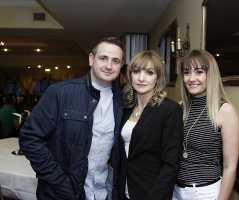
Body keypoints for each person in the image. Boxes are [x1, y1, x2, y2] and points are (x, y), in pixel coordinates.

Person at [19, 36, 124, 200]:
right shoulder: (60, 93)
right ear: (91, 59)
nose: (109, 66)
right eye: (103, 58)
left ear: (121, 66)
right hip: (61, 193)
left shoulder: (121, 101)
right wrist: (60, 182)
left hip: (102, 192)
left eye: (115, 61)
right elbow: (29, 138)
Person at [114, 50, 183, 200]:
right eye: (136, 71)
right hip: (124, 190)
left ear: (158, 77)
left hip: (151, 192)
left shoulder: (169, 110)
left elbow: (171, 164)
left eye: (149, 73)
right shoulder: (126, 108)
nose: (141, 78)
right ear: (130, 75)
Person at [173, 50, 239, 200]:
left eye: (199, 72)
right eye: (186, 72)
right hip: (175, 191)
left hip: (205, 193)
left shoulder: (225, 110)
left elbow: (230, 167)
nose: (191, 78)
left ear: (211, 75)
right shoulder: (180, 107)